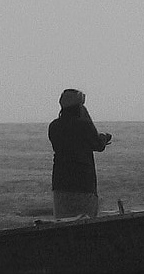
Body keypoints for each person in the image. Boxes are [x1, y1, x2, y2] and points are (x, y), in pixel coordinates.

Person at [48, 89, 112, 218]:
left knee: (62, 225)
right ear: (79, 107)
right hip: (83, 184)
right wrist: (104, 137)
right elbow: (98, 145)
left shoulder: (54, 126)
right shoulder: (84, 125)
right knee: (86, 225)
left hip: (60, 184)